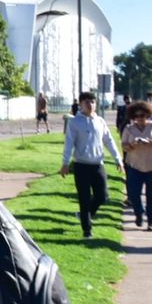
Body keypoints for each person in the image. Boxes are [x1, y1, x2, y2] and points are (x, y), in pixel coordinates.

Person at [60, 91, 123, 238]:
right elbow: (69, 143)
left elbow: (109, 140)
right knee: (84, 198)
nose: (90, 105)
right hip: (81, 165)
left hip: (97, 164)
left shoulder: (100, 121)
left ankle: (85, 214)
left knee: (102, 196)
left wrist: (118, 159)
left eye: (92, 102)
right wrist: (65, 163)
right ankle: (87, 230)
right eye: (87, 102)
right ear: (80, 104)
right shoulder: (75, 122)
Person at [121, 100, 152, 231]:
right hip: (135, 166)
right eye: (136, 116)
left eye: (142, 115)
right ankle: (139, 213)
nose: (139, 118)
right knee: (133, 194)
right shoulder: (129, 128)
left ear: (148, 115)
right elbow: (124, 146)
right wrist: (132, 144)